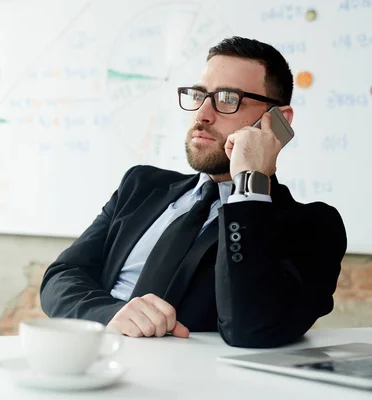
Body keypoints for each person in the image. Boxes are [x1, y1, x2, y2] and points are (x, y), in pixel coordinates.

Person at [39, 36, 347, 349]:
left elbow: (251, 328)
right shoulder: (142, 185)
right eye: (199, 95)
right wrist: (109, 315)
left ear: (279, 120)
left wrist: (248, 184)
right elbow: (61, 277)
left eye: (228, 99)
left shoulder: (315, 226)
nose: (202, 114)